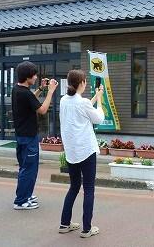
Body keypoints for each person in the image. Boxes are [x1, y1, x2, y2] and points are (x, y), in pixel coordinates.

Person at [58, 70, 105, 238]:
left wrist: (93, 97)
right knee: (89, 189)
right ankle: (87, 228)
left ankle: (64, 223)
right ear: (82, 83)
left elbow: (82, 109)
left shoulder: (64, 100)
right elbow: (98, 118)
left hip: (71, 151)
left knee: (74, 187)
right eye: (85, 81)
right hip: (86, 150)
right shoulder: (82, 102)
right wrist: (99, 99)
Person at [12, 61, 58, 210]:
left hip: (22, 135)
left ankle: (26, 194)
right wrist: (50, 91)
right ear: (28, 77)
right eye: (35, 75)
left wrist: (40, 89)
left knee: (25, 167)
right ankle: (21, 201)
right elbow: (43, 110)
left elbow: (31, 99)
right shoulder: (24, 93)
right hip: (28, 136)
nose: (37, 77)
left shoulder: (17, 90)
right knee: (29, 168)